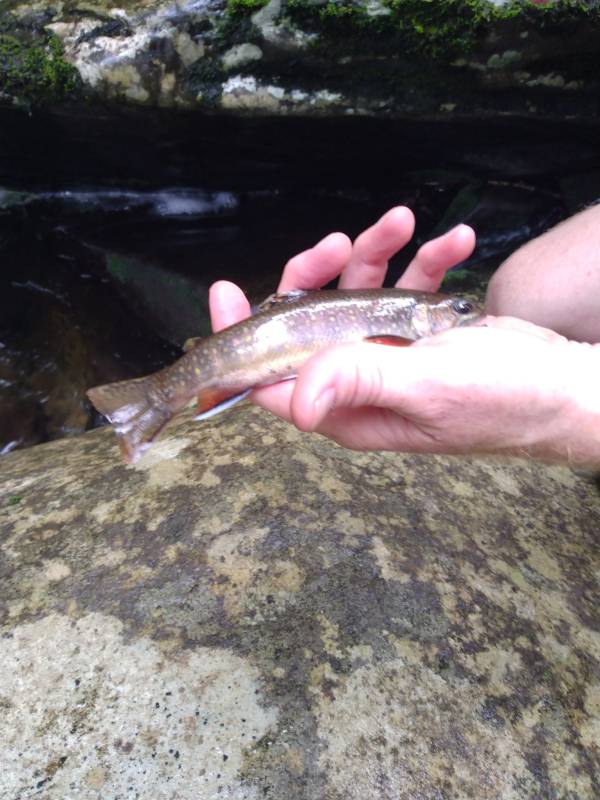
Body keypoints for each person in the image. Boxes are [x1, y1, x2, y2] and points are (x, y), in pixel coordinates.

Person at [208, 204, 600, 466]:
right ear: (421, 313)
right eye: (461, 310)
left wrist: (566, 404)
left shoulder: (413, 316)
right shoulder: (411, 313)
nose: (472, 315)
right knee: (524, 291)